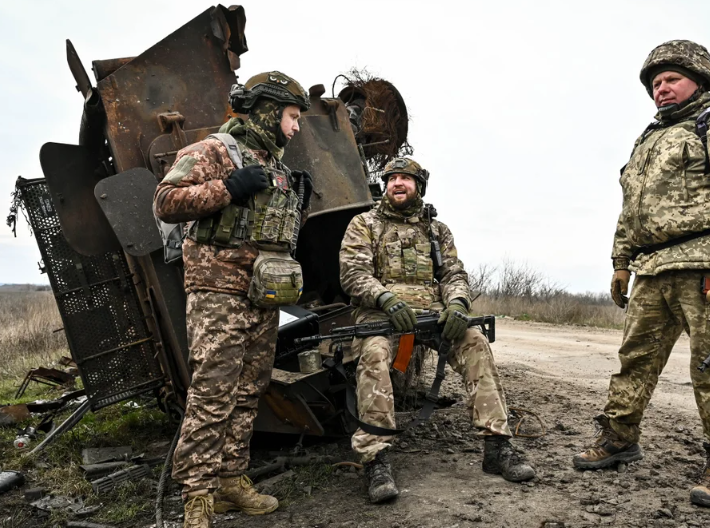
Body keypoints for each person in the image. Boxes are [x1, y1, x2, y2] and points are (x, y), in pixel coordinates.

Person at [572, 40, 710, 508]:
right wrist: (621, 263)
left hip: (708, 268)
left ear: (699, 80)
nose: (661, 89)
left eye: (671, 80)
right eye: (655, 83)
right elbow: (630, 210)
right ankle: (620, 439)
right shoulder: (647, 139)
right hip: (651, 268)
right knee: (634, 360)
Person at [153, 71, 312, 527]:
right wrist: (228, 188)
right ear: (266, 111)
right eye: (291, 116)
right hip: (218, 291)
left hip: (262, 293)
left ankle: (230, 482)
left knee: (247, 393)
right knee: (212, 393)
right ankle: (197, 495)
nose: (296, 126)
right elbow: (165, 200)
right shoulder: (214, 151)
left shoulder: (276, 165)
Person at [338, 157, 535, 503]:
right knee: (374, 355)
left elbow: (453, 275)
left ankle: (497, 445)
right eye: (392, 178)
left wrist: (458, 304)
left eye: (406, 178)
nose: (398, 183)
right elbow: (353, 274)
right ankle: (375, 459)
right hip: (380, 317)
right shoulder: (364, 223)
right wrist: (385, 298)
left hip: (432, 315)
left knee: (475, 342)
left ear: (419, 186)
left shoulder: (436, 230)